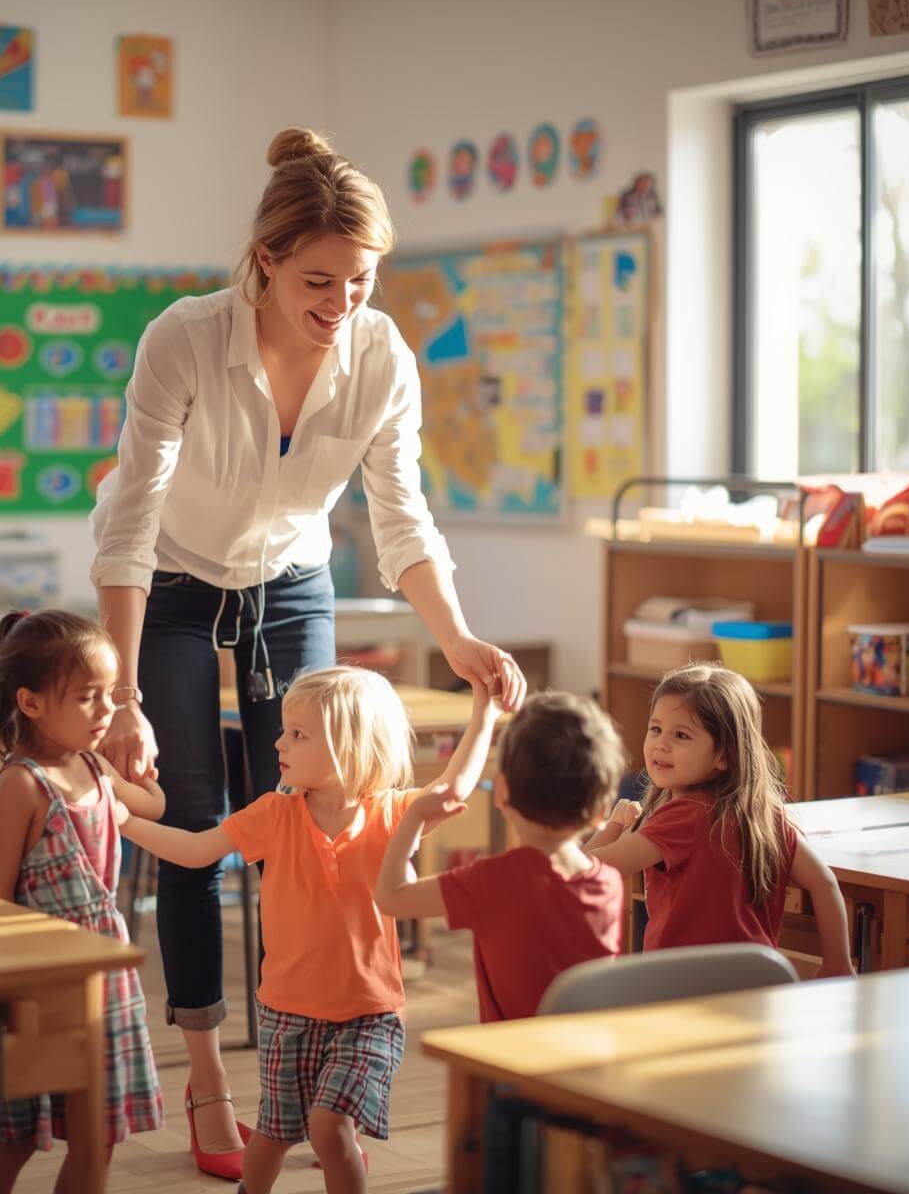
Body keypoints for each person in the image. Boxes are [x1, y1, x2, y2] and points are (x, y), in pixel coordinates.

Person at [89, 125, 526, 1176]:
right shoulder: (183, 340)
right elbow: (130, 520)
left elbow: (401, 517)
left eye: (363, 283)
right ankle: (205, 1077)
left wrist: (457, 637)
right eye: (319, 281)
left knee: (330, 816)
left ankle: (318, 1058)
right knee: (199, 818)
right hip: (176, 585)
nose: (341, 306)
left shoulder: (382, 357)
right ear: (266, 260)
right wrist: (121, 697)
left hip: (290, 582)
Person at [117, 666, 500, 1194]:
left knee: (330, 1129)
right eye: (284, 730)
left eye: (297, 734)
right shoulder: (273, 814)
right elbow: (193, 851)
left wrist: (486, 710)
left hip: (369, 1014)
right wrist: (122, 820)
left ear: (349, 744)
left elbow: (454, 786)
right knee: (272, 1137)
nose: (278, 742)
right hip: (286, 1013)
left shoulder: (392, 813)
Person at [0, 609, 166, 1194]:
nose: (105, 711)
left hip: (103, 980)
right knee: (15, 1135)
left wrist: (138, 761)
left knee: (99, 1131)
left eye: (109, 695)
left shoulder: (95, 766)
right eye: (87, 698)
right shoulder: (22, 785)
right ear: (30, 703)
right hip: (39, 987)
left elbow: (154, 805)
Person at [587, 663, 855, 976]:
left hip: (681, 991)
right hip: (759, 985)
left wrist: (614, 825)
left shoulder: (684, 816)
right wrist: (839, 962)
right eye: (656, 729)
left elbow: (586, 873)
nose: (661, 743)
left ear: (724, 756)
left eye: (682, 735)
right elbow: (824, 882)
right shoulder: (767, 816)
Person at [375, 689, 626, 1021]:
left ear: (502, 792)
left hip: (512, 1063)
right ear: (600, 810)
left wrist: (414, 818)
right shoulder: (609, 882)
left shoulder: (494, 882)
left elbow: (391, 898)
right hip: (586, 1060)